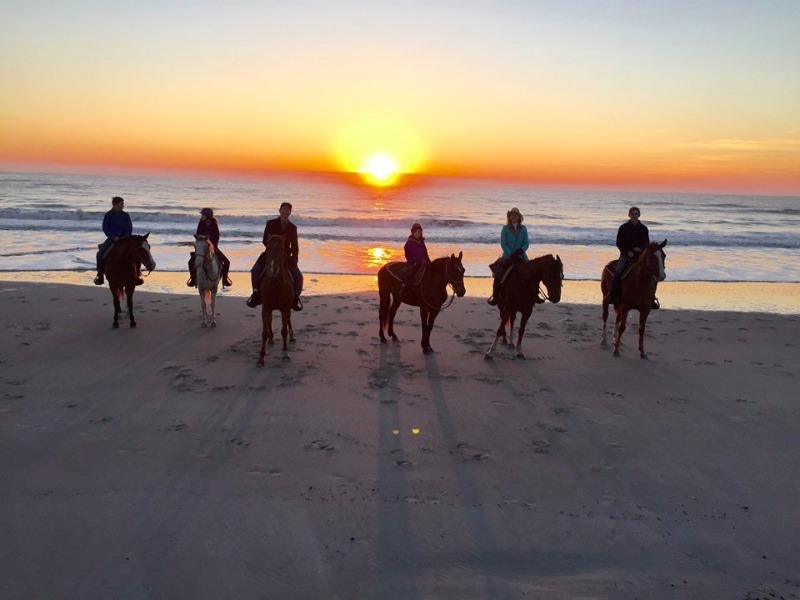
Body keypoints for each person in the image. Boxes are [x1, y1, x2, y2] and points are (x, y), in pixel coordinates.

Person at [246, 202, 303, 311]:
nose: (285, 212)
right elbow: (264, 240)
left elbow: (295, 245)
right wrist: (272, 250)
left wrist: (295, 258)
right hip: (269, 253)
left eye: (288, 210)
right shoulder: (270, 223)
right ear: (279, 210)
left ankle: (295, 298)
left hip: (285, 255)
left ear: (290, 212)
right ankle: (256, 294)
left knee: (298, 276)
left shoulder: (292, 227)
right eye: (283, 209)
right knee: (255, 271)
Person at [609, 205, 659, 308]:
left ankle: (651, 298)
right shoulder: (623, 228)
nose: (634, 216)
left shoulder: (644, 228)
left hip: (640, 256)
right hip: (626, 255)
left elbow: (647, 244)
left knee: (652, 274)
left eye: (636, 214)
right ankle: (612, 296)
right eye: (632, 214)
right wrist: (628, 252)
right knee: (618, 272)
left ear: (639, 215)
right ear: (629, 215)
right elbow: (619, 243)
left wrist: (641, 250)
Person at [487, 207, 534, 305]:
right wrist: (511, 254)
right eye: (512, 215)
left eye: (516, 215)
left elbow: (526, 243)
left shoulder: (523, 228)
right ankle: (495, 296)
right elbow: (503, 244)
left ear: (519, 217)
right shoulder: (505, 229)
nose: (514, 216)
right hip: (508, 256)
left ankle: (535, 295)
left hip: (521, 255)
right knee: (499, 275)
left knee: (532, 274)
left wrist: (521, 251)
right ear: (509, 217)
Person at [94, 196, 136, 285]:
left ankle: (137, 275)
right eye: (121, 204)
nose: (123, 206)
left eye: (123, 204)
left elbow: (129, 227)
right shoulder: (108, 215)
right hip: (113, 239)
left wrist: (126, 235)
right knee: (100, 254)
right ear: (115, 204)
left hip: (125, 238)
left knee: (137, 251)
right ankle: (100, 275)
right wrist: (114, 237)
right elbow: (105, 228)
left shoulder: (125, 215)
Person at [187, 208, 233, 288]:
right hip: (202, 248)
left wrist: (212, 246)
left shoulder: (214, 224)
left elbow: (216, 237)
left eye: (203, 215)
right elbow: (198, 235)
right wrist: (200, 242)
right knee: (190, 262)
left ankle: (225, 279)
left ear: (208, 216)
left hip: (212, 247)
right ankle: (193, 279)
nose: (202, 216)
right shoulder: (201, 223)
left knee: (227, 262)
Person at [401, 223, 431, 293]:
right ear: (413, 232)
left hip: (423, 261)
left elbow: (425, 252)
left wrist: (427, 260)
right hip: (412, 262)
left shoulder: (421, 242)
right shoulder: (409, 243)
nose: (418, 234)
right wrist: (414, 261)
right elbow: (407, 254)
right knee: (410, 270)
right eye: (416, 232)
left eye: (419, 232)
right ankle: (404, 285)